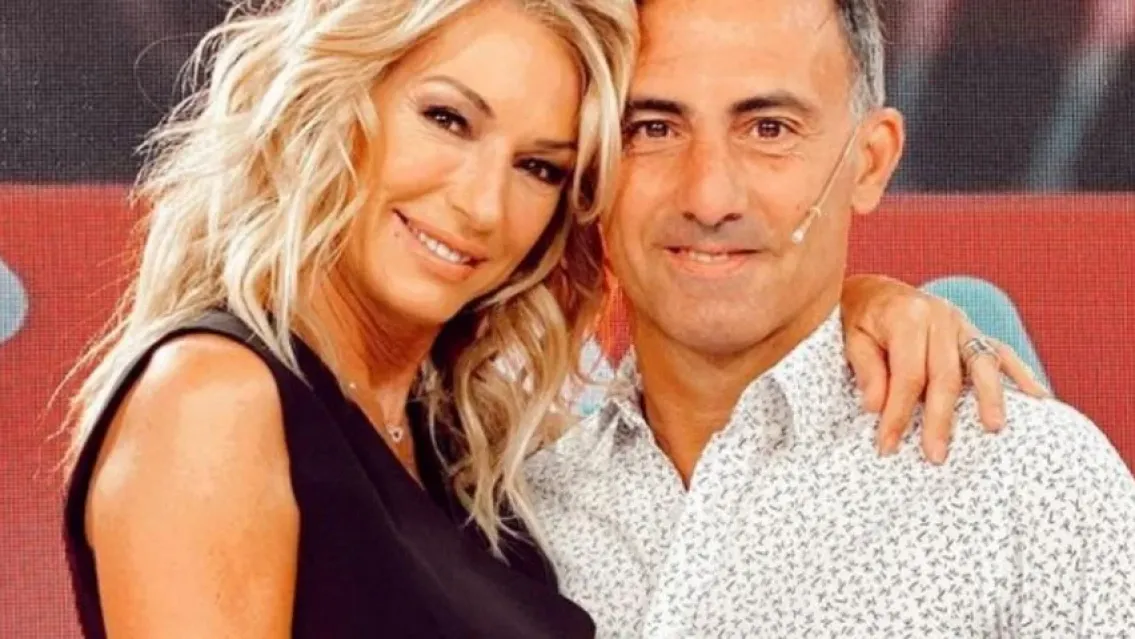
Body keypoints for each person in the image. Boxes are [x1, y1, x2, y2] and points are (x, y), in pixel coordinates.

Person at [62, 0, 1041, 637]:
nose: (480, 204)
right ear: (337, 99)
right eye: (447, 119)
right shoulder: (215, 401)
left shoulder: (465, 449)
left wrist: (858, 305)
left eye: (539, 166)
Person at [525, 0, 1135, 636]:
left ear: (869, 161)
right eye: (653, 128)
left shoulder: (1032, 484)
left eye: (769, 129)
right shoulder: (515, 510)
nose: (708, 197)